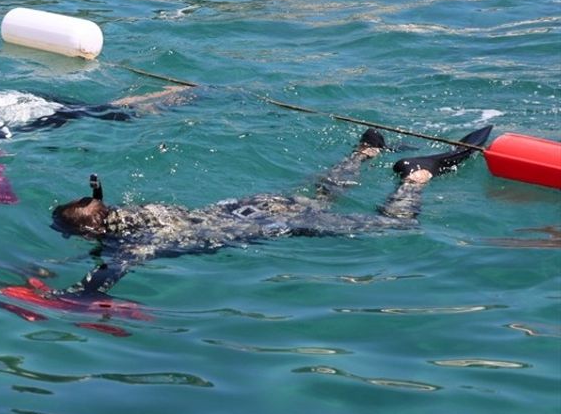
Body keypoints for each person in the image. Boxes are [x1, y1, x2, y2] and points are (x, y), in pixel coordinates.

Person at [48, 125, 494, 297]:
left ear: (89, 233)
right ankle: (362, 155)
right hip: (248, 206)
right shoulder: (131, 215)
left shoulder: (135, 242)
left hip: (269, 224)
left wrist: (82, 295)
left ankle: (416, 177)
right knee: (321, 197)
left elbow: (108, 274)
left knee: (392, 226)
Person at [0, 81, 190, 137]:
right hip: (32, 98)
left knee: (118, 114)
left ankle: (169, 101)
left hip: (44, 115)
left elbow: (1, 132)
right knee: (104, 107)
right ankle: (167, 95)